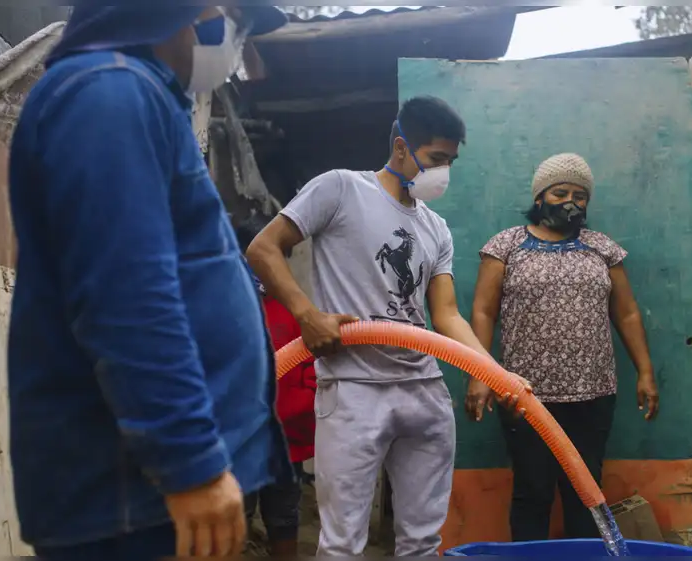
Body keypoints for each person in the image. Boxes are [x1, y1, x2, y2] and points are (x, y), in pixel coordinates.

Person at [5, 6, 292, 560]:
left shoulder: (135, 96)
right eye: (238, 20)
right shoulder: (108, 96)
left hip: (148, 495)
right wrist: (190, 464)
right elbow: (127, 298)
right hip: (133, 497)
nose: (238, 44)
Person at [245, 95, 531, 556]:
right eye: (437, 160)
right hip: (354, 386)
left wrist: (493, 373)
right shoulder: (340, 189)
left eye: (450, 162)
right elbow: (262, 249)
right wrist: (307, 315)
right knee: (342, 543)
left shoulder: (436, 227)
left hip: (423, 389)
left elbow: (446, 315)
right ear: (402, 148)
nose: (444, 173)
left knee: (422, 542)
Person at [466, 153, 660, 542]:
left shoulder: (602, 249)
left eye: (580, 195)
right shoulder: (506, 245)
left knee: (585, 495)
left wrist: (645, 371)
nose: (571, 201)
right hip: (524, 396)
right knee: (532, 492)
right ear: (540, 197)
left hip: (593, 394)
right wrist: (479, 375)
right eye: (560, 192)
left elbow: (627, 315)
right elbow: (484, 312)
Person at [235, 218, 316, 556]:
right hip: (236, 440)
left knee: (284, 514)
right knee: (235, 515)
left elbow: (309, 371)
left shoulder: (292, 312)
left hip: (284, 441)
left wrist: (301, 413)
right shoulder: (225, 311)